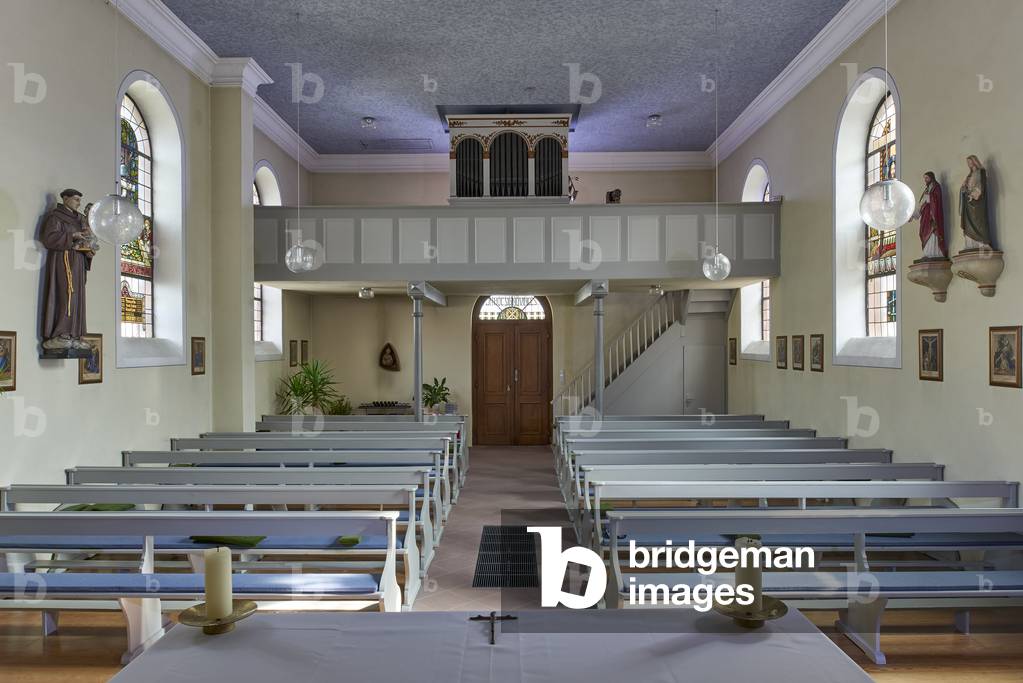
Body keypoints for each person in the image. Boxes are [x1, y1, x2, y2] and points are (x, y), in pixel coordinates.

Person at [39, 189, 94, 351]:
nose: (78, 203)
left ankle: (75, 335)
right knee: (66, 293)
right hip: (63, 260)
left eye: (79, 200)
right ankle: (61, 334)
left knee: (77, 297)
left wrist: (89, 249)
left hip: (78, 261)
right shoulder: (56, 217)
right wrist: (72, 236)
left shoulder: (80, 220)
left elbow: (86, 240)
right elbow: (49, 238)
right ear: (65, 198)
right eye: (76, 199)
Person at [960, 155, 992, 249]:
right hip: (968, 202)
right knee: (968, 222)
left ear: (974, 162)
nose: (969, 164)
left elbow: (981, 186)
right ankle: (971, 244)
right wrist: (963, 188)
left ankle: (982, 243)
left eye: (970, 162)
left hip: (978, 203)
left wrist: (974, 195)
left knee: (979, 221)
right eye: (968, 163)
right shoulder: (969, 175)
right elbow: (964, 188)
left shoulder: (981, 172)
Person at [913, 172, 947, 258]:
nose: (925, 180)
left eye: (927, 178)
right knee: (924, 230)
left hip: (933, 215)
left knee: (933, 231)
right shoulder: (926, 189)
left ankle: (935, 252)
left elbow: (937, 199)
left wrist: (929, 197)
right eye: (924, 178)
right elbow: (921, 204)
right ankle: (927, 251)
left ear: (931, 177)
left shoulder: (936, 187)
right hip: (925, 215)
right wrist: (913, 215)